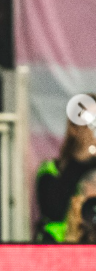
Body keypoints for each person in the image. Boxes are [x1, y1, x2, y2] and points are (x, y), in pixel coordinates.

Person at [36, 98, 96, 242]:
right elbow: (53, 210)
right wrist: (80, 159)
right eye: (89, 123)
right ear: (74, 128)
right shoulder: (51, 170)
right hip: (60, 249)